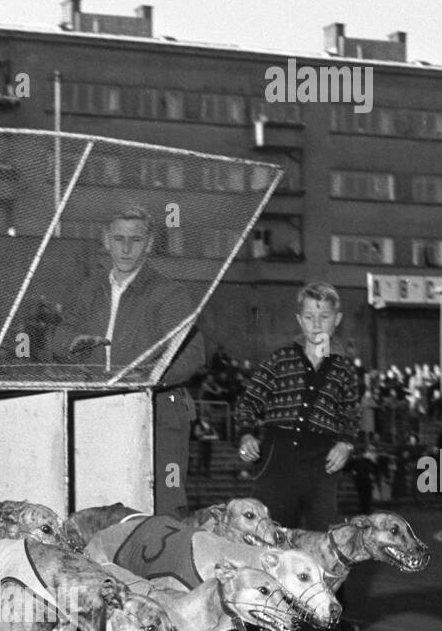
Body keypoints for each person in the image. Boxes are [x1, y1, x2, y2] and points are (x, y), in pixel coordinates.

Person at [50, 204, 205, 513]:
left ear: (149, 243)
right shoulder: (89, 289)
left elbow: (193, 352)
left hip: (156, 416)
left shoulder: (169, 294)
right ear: (106, 240)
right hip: (97, 413)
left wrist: (150, 380)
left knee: (162, 507)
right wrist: (72, 344)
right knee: (96, 507)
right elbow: (59, 337)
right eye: (118, 238)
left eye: (135, 239)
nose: (125, 247)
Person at [234, 282, 361, 530]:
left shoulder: (345, 370)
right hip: (277, 457)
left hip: (322, 461)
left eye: (324, 316)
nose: (316, 324)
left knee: (322, 535)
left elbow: (351, 415)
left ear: (337, 319)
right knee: (269, 533)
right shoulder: (280, 359)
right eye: (309, 316)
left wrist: (345, 444)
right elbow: (248, 402)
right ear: (299, 320)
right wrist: (246, 434)